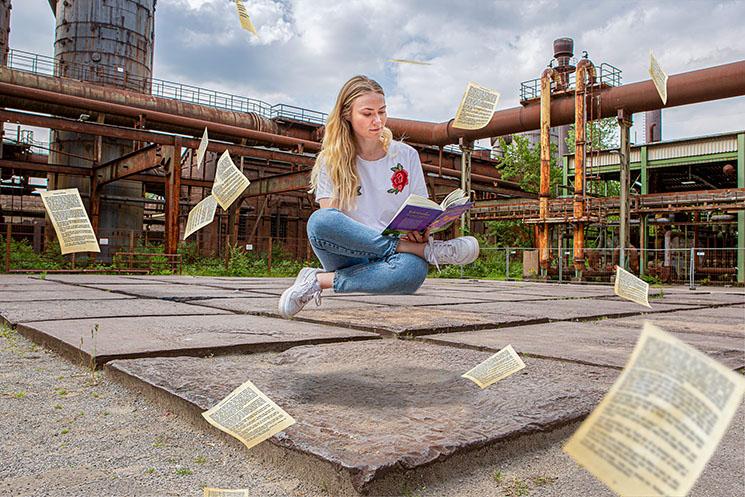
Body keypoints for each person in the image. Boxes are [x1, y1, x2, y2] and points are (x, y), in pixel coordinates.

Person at [278, 75, 479, 318]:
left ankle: (319, 280)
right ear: (347, 115)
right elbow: (330, 224)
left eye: (382, 112)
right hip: (348, 254)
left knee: (412, 273)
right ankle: (428, 252)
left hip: (392, 261)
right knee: (320, 220)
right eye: (367, 113)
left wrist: (423, 231)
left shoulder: (406, 156)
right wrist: (408, 246)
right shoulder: (330, 162)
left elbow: (420, 208)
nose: (378, 121)